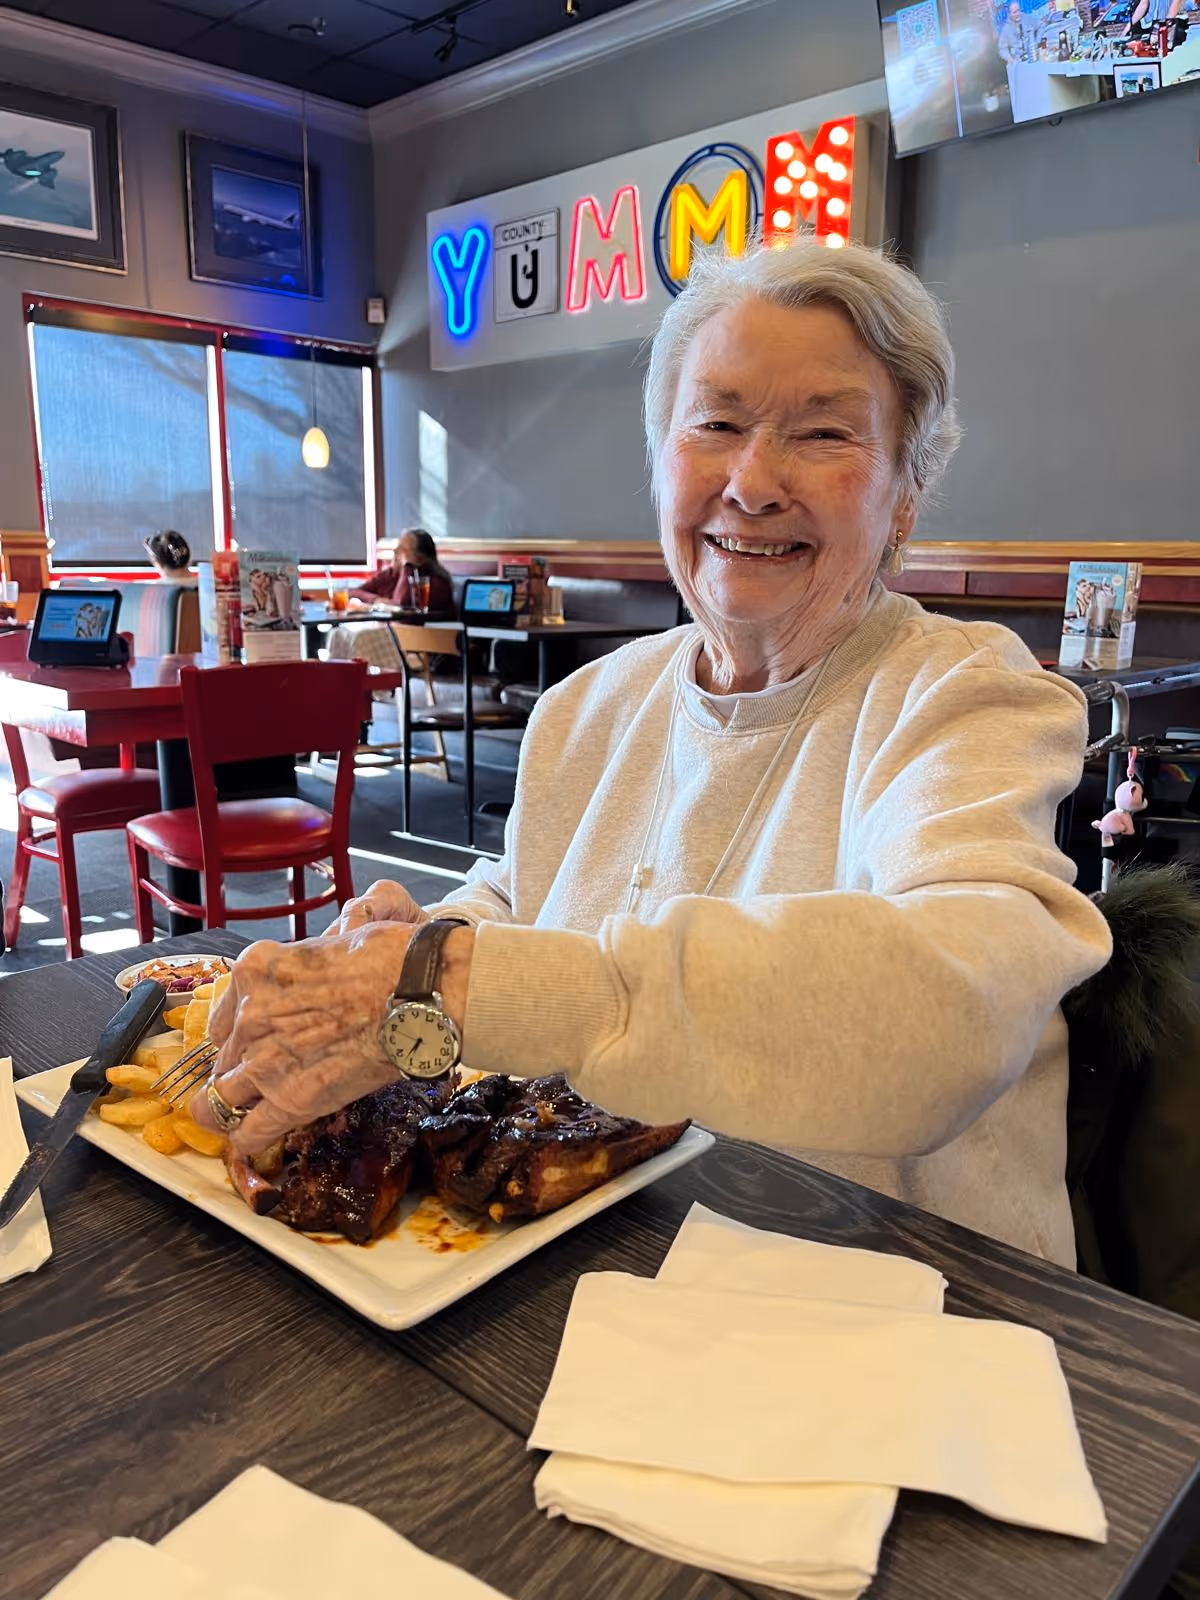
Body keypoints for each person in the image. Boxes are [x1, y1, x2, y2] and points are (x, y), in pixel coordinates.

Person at [194, 239, 1112, 1266]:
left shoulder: (967, 697)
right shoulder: (593, 703)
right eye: (716, 423)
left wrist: (441, 982)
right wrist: (415, 938)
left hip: (907, 1302)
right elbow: (529, 893)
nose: (753, 482)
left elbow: (962, 1004)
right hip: (603, 1276)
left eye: (822, 432)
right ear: (661, 457)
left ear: (906, 491)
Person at [351, 527, 454, 616]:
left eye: (403, 549)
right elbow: (353, 592)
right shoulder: (391, 574)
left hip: (421, 634)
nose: (395, 551)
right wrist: (376, 599)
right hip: (392, 630)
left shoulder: (435, 583)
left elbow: (401, 604)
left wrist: (407, 566)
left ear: (420, 558)